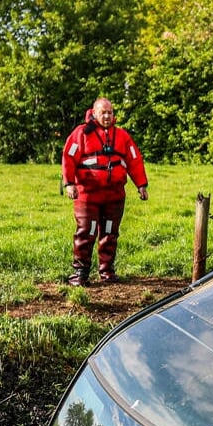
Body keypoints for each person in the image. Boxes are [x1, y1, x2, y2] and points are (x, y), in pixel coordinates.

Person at [62, 97, 148, 286]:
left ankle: (107, 271)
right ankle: (81, 273)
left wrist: (141, 185)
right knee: (87, 231)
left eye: (110, 112)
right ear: (94, 113)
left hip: (114, 196)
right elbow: (69, 156)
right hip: (88, 196)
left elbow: (134, 159)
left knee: (110, 232)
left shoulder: (122, 136)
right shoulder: (81, 133)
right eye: (103, 113)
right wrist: (69, 183)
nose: (107, 116)